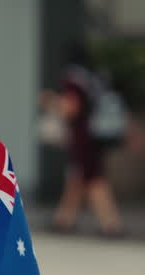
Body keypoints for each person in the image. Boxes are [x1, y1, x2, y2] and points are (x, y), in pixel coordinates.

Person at [42, 42, 126, 237]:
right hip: (95, 135)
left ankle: (111, 224)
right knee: (76, 178)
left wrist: (50, 102)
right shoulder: (94, 77)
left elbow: (71, 108)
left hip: (83, 137)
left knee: (93, 179)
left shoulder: (74, 78)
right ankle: (64, 219)